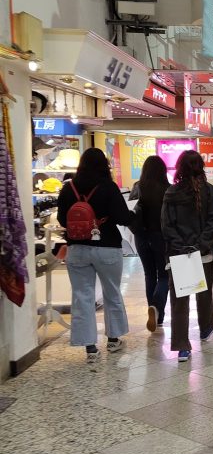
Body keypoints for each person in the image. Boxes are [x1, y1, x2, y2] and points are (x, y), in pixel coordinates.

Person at [56, 147, 133, 365]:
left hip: (77, 248)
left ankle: (90, 347)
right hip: (107, 246)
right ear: (103, 165)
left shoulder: (68, 188)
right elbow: (122, 217)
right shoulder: (108, 187)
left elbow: (62, 219)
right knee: (112, 292)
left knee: (82, 296)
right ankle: (113, 339)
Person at [161, 150, 213, 363]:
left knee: (179, 301)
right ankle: (206, 327)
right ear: (201, 167)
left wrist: (181, 247)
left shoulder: (171, 193)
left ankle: (182, 347)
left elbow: (166, 226)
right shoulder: (211, 192)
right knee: (204, 294)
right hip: (203, 255)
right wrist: (200, 246)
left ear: (179, 168)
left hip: (178, 256)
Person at [131, 154, 170, 332]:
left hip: (141, 237)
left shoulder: (137, 188)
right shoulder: (168, 190)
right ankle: (157, 310)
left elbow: (130, 213)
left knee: (149, 274)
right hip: (161, 237)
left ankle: (154, 312)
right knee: (164, 275)